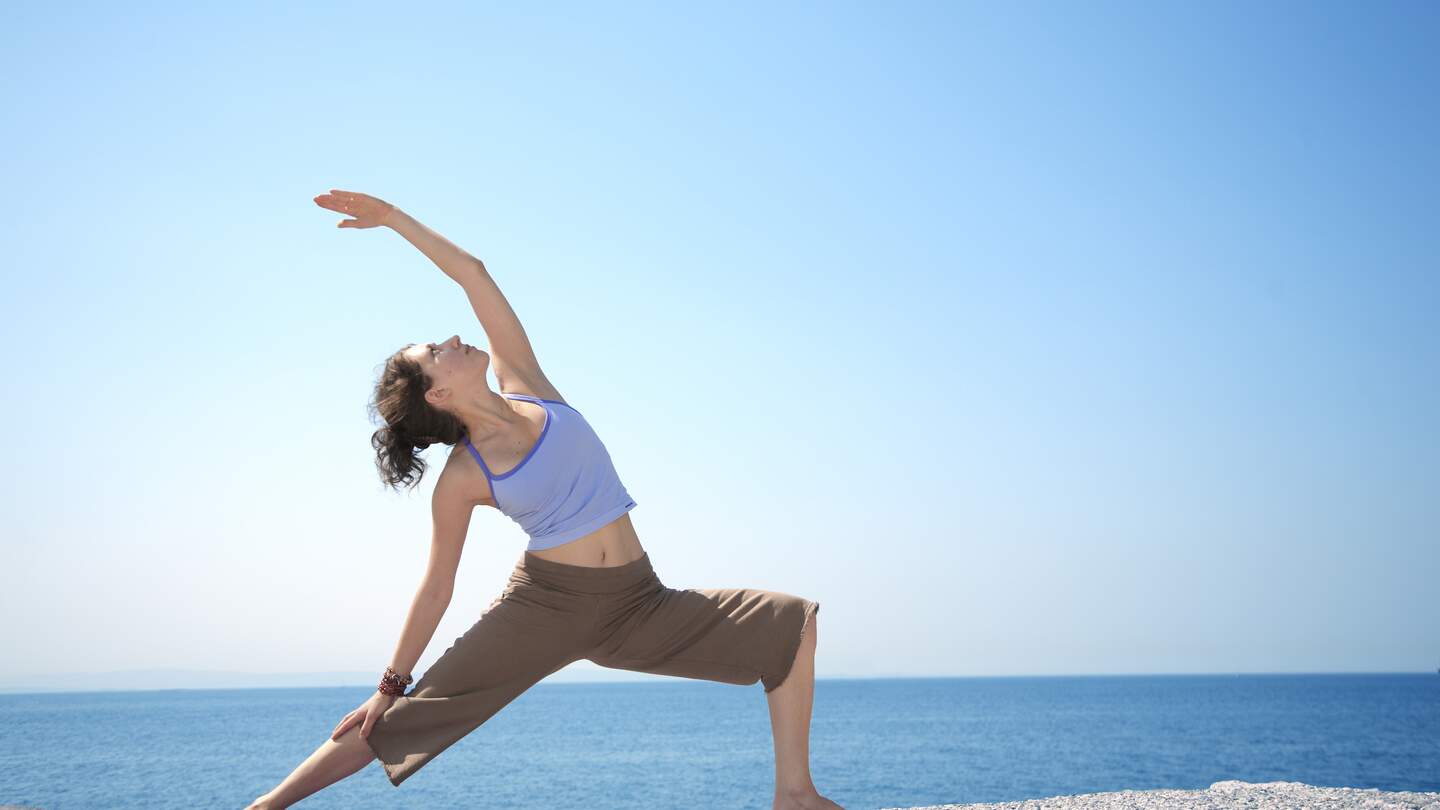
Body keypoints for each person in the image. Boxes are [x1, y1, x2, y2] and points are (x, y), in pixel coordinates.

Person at [244, 190, 836, 810]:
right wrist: (389, 684)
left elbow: (473, 274)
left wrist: (393, 220)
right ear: (437, 394)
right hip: (547, 605)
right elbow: (438, 585)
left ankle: (794, 795)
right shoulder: (463, 476)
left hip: (639, 600)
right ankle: (266, 806)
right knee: (397, 718)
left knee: (790, 623)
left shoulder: (527, 384)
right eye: (435, 352)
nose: (452, 339)